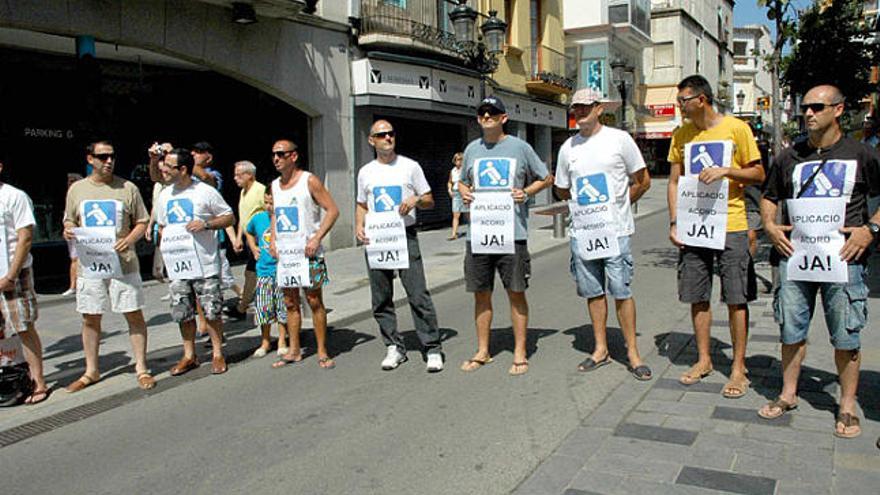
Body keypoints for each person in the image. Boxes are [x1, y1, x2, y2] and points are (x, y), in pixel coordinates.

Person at [758, 84, 880, 439]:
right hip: (795, 258)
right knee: (791, 330)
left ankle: (846, 405)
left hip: (844, 259)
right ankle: (788, 393)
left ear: (838, 110)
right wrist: (769, 225)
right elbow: (769, 195)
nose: (808, 113)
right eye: (805, 108)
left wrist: (869, 229)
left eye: (817, 107)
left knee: (845, 335)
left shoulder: (861, 154)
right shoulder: (790, 156)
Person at [667, 75, 764, 398]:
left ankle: (738, 368)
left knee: (736, 297)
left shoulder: (736, 128)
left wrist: (726, 170)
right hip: (695, 225)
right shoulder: (681, 134)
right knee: (697, 294)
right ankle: (704, 359)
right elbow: (674, 181)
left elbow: (758, 173)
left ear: (702, 99)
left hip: (732, 223)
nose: (679, 105)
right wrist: (674, 221)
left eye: (683, 100)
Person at [553, 87, 652, 380]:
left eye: (585, 107)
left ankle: (633, 352)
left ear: (599, 108)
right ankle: (600, 349)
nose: (580, 112)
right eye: (576, 108)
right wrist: (583, 205)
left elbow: (642, 180)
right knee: (593, 292)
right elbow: (561, 187)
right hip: (583, 232)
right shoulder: (568, 148)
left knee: (621, 291)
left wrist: (620, 205)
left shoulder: (619, 140)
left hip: (616, 231)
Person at [458, 96, 552, 376]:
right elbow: (462, 181)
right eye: (482, 113)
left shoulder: (520, 147)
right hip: (479, 234)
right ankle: (483, 350)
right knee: (481, 295)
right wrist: (462, 190)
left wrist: (527, 192)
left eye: (493, 113)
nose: (487, 116)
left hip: (512, 234)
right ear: (478, 119)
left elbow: (545, 177)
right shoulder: (472, 149)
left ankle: (520, 351)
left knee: (516, 293)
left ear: (503, 118)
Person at [63, 141, 155, 392]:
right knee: (90, 317)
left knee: (133, 314)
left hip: (123, 265)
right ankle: (91, 370)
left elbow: (142, 220)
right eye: (102, 157)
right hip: (90, 265)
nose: (109, 161)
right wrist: (68, 230)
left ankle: (141, 367)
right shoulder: (77, 190)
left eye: (112, 156)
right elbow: (69, 220)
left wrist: (129, 239)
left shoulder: (128, 188)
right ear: (90, 158)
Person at [356, 120, 444, 372]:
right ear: (371, 140)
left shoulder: (410, 166)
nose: (387, 138)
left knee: (417, 293)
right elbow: (362, 204)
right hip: (377, 238)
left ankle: (432, 347)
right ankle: (393, 346)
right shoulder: (366, 172)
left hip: (404, 235)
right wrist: (359, 226)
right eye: (381, 135)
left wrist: (415, 199)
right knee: (381, 297)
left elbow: (429, 200)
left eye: (391, 133)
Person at [156, 148, 234, 375]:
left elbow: (229, 216)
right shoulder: (165, 195)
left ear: (182, 169)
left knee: (211, 310)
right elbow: (162, 226)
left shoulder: (204, 192)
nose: (163, 170)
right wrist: (164, 254)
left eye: (168, 166)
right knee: (182, 312)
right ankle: (189, 355)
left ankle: (218, 353)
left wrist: (206, 224)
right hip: (178, 266)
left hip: (204, 264)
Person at [270, 139, 339, 369]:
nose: (276, 159)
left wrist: (317, 237)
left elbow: (332, 210)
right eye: (274, 155)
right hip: (287, 255)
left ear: (293, 156)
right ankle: (294, 349)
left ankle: (321, 350)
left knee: (314, 301)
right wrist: (273, 240)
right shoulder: (274, 185)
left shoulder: (309, 180)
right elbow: (275, 214)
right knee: (290, 302)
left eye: (281, 154)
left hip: (308, 253)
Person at [0, 158, 48, 403]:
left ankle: (39, 382)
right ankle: (9, 381)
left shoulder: (14, 196)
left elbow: (25, 237)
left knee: (23, 327)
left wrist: (11, 275)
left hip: (13, 274)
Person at [245, 188, 288, 358]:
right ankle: (265, 340)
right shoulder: (258, 218)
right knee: (263, 307)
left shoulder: (283, 218)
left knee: (282, 306)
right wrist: (253, 247)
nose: (269, 206)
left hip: (281, 269)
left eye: (272, 203)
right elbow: (248, 231)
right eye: (266, 202)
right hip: (263, 270)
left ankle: (283, 339)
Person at [232, 160, 264, 319]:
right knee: (250, 273)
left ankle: (242, 307)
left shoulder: (260, 190)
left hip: (259, 240)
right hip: (248, 238)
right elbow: (243, 218)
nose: (235, 178)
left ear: (249, 175)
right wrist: (238, 238)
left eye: (239, 175)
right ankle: (243, 306)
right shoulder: (243, 192)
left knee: (251, 273)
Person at [62, 173, 83, 296]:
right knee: (74, 259)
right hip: (72, 233)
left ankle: (75, 285)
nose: (70, 184)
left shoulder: (80, 195)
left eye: (72, 181)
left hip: (82, 232)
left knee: (78, 259)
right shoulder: (69, 196)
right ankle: (73, 286)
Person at [447, 152, 468, 240]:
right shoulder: (453, 171)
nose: (458, 162)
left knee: (468, 214)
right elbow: (450, 182)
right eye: (457, 160)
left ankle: (472, 232)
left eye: (460, 159)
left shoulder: (465, 170)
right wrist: (449, 189)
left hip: (464, 192)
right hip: (456, 192)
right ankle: (454, 234)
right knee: (456, 214)